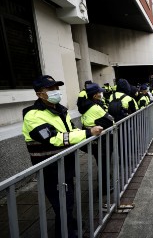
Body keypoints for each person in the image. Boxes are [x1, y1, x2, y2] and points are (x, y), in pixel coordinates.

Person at [22, 75, 103, 238]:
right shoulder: (33, 115)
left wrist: (86, 132)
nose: (55, 92)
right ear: (39, 94)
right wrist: (87, 133)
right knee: (62, 203)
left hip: (65, 163)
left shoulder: (60, 110)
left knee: (68, 200)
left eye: (56, 88)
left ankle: (69, 223)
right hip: (49, 167)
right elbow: (53, 139)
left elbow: (70, 130)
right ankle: (66, 233)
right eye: (50, 89)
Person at [79, 83, 115, 195]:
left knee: (101, 163)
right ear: (95, 95)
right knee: (104, 164)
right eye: (99, 92)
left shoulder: (85, 106)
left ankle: (104, 184)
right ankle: (105, 188)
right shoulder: (95, 108)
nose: (101, 94)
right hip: (102, 141)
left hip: (93, 140)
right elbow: (111, 121)